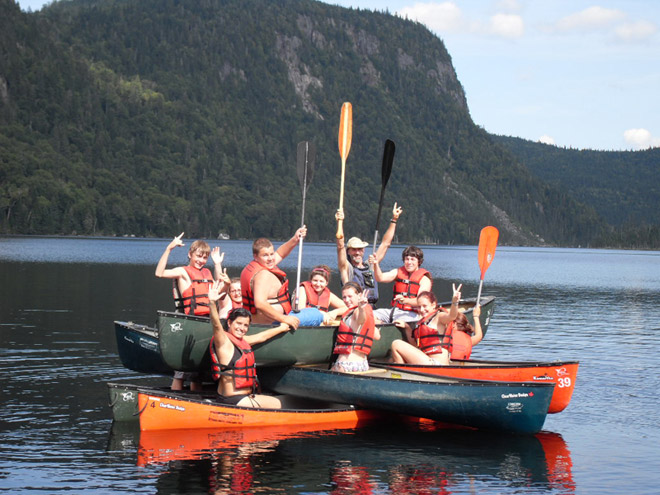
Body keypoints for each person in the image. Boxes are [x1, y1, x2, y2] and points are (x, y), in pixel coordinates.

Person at [155, 232, 227, 391]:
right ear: (190, 254)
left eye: (204, 258)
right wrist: (169, 248)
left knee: (198, 371)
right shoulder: (183, 271)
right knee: (181, 371)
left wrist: (216, 264)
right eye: (198, 256)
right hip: (188, 322)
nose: (201, 261)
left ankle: (195, 401)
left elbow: (219, 286)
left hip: (205, 323)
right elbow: (159, 273)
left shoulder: (207, 272)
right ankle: (175, 399)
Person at [207, 280, 290, 408]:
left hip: (243, 398)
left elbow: (261, 337)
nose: (242, 328)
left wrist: (281, 328)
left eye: (246, 325)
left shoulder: (242, 342)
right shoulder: (224, 342)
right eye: (238, 324)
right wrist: (212, 303)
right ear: (229, 323)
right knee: (285, 403)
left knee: (280, 399)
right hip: (235, 400)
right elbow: (216, 325)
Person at [240, 226, 323, 329]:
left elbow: (280, 253)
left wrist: (295, 239)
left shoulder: (255, 266)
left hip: (266, 321)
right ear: (255, 256)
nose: (270, 258)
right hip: (273, 323)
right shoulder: (263, 275)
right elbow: (260, 303)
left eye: (271, 254)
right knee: (316, 314)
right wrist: (284, 319)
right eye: (265, 255)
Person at [335, 203, 402, 305]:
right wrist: (340, 222)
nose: (357, 252)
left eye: (360, 249)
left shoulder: (370, 264)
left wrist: (394, 219)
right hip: (356, 308)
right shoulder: (346, 268)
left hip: (371, 307)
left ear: (363, 250)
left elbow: (385, 244)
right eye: (353, 249)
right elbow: (340, 246)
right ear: (348, 251)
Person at [390, 286, 462, 366]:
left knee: (396, 344)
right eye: (419, 306)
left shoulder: (439, 317)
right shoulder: (422, 323)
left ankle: (401, 373)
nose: (421, 309)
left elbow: (452, 316)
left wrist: (455, 301)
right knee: (391, 359)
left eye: (425, 306)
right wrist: (407, 327)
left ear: (433, 305)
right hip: (428, 361)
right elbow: (415, 345)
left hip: (436, 364)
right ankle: (401, 372)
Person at [369, 245, 432, 324]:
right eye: (407, 259)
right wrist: (376, 264)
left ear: (419, 261)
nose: (409, 262)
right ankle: (382, 325)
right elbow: (380, 278)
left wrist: (405, 300)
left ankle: (387, 327)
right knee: (369, 315)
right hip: (395, 311)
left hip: (412, 314)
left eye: (412, 259)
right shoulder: (398, 272)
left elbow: (420, 301)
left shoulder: (424, 280)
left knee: (398, 322)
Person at [330, 282, 381, 373]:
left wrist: (361, 308)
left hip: (346, 365)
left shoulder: (357, 311)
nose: (347, 300)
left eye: (350, 296)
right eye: (344, 297)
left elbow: (360, 320)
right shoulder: (368, 312)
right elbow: (377, 336)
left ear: (359, 296)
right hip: (362, 365)